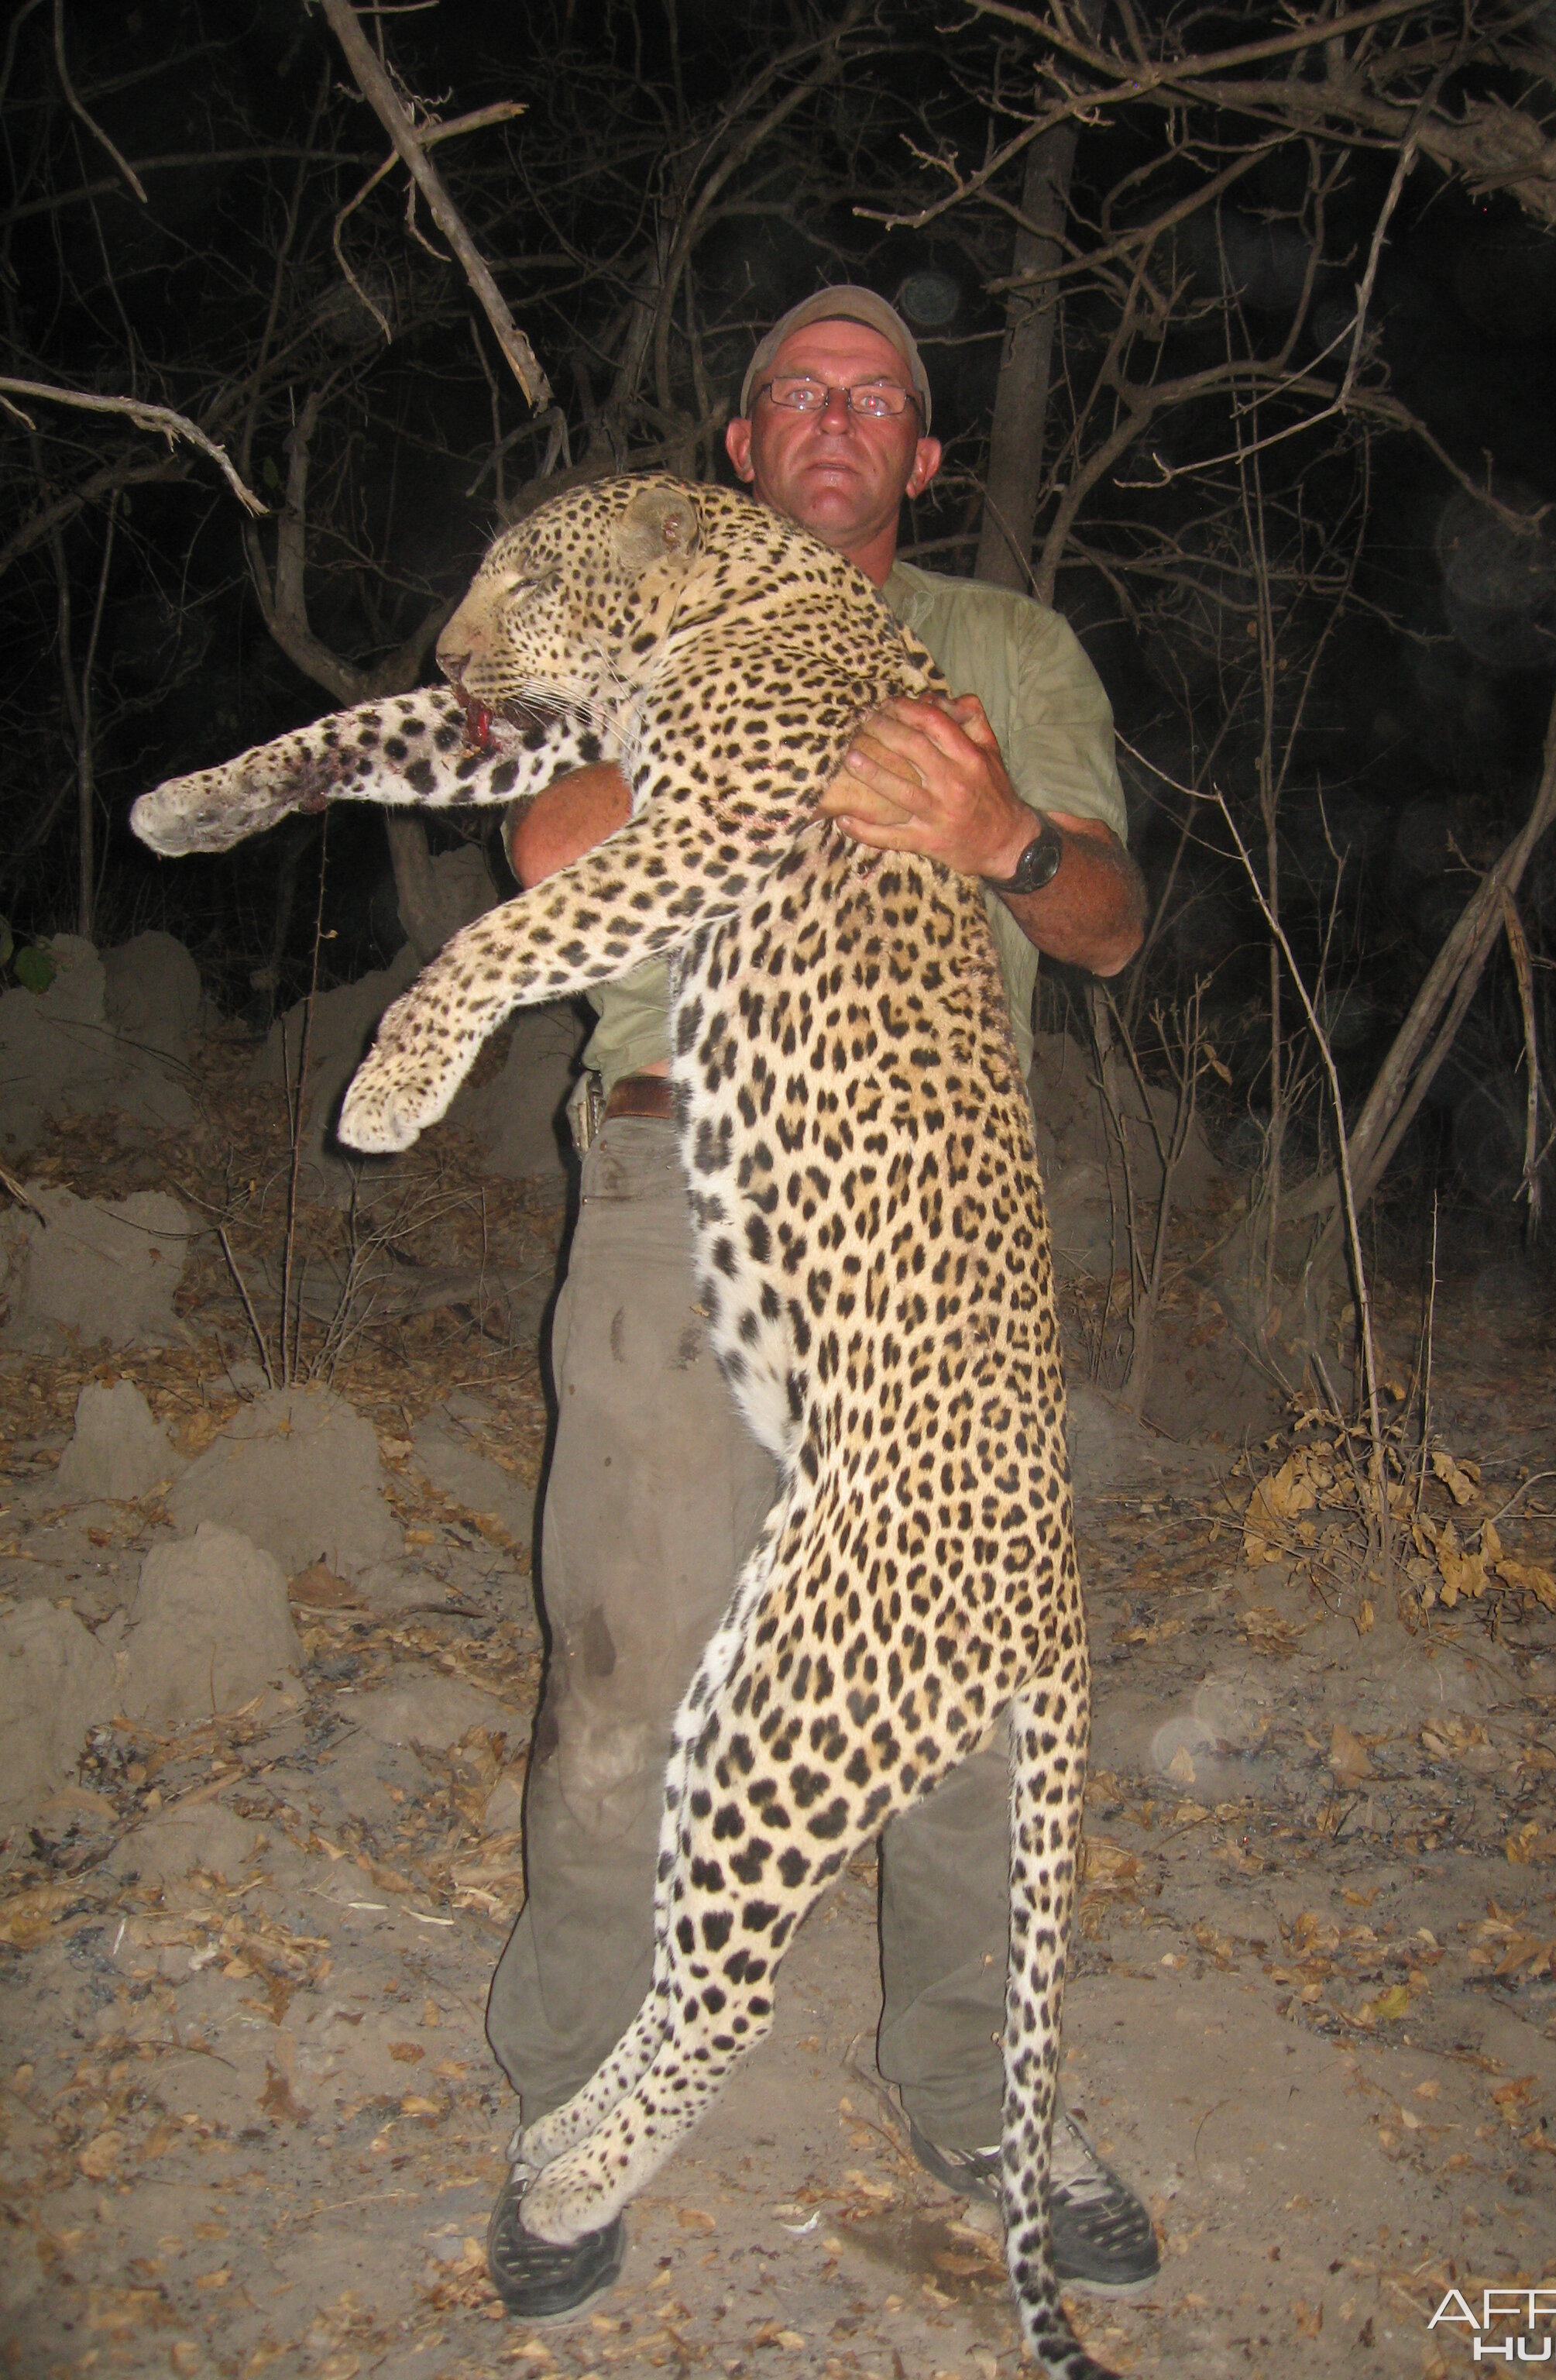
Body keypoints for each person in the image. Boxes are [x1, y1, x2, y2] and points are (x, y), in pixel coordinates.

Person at [483, 287, 1152, 2324]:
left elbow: (1113, 926)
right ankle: (574, 2098)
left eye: (879, 397)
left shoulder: (1010, 651)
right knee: (628, 1683)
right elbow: (539, 843)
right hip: (677, 1165)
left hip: (937, 1224)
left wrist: (1000, 833)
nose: (839, 415)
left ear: (924, 460)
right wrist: (761, 772)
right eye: (799, 389)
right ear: (739, 445)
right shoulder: (648, 611)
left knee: (964, 1690)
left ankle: (974, 2095)